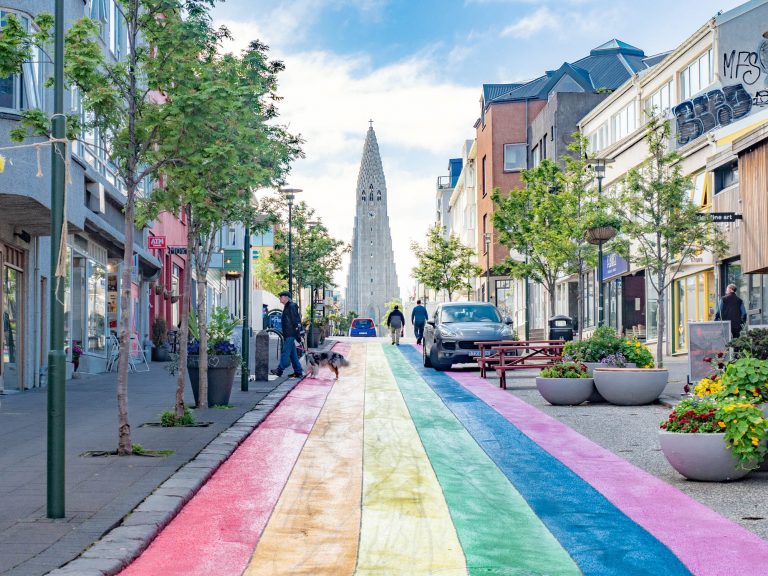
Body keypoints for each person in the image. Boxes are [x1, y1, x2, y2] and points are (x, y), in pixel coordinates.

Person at [271, 290, 304, 378]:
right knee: (293, 354)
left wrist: (298, 334)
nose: (279, 298)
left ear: (286, 297)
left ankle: (280, 370)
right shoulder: (288, 306)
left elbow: (295, 320)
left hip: (291, 333)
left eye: (281, 297)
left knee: (285, 352)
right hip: (289, 333)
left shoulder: (291, 306)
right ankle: (298, 371)